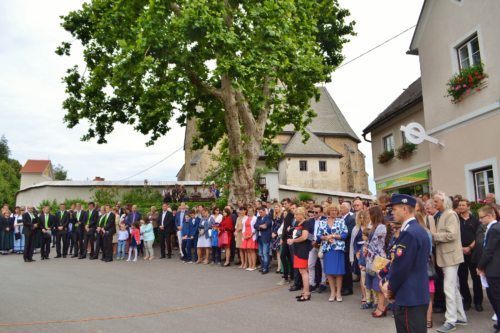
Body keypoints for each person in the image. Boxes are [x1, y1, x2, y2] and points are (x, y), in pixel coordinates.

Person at [380, 194, 431, 333]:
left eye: (394, 209)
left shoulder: (409, 233)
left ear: (404, 209)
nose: (392, 213)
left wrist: (390, 287)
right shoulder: (417, 230)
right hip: (415, 294)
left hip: (409, 296)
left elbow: (401, 267)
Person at [432, 192, 467, 333]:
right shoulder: (444, 214)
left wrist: (433, 236)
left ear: (443, 201)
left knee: (449, 289)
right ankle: (460, 317)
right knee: (454, 288)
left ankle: (451, 320)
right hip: (448, 257)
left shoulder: (450, 214)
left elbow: (452, 235)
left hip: (451, 257)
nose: (434, 204)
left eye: (436, 201)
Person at [476, 205, 500, 333]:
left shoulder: (494, 229)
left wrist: (480, 266)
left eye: (482, 218)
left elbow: (489, 251)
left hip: (494, 269)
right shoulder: (494, 228)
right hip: (494, 268)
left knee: (496, 297)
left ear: (490, 216)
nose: (480, 220)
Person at [457, 199, 483, 312]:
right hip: (460, 252)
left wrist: (470, 247)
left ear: (468, 207)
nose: (461, 207)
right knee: (462, 278)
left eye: (463, 205)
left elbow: (478, 237)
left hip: (473, 253)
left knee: (475, 278)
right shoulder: (456, 220)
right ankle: (466, 301)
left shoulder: (475, 221)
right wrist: (461, 248)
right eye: (459, 205)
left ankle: (478, 302)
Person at [318, 204, 348, 302]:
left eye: (335, 210)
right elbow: (318, 236)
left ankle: (338, 292)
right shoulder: (322, 222)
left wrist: (333, 236)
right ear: (328, 211)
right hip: (327, 249)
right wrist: (326, 238)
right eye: (332, 210)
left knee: (339, 272)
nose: (334, 212)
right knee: (329, 272)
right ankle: (332, 292)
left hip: (338, 249)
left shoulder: (341, 221)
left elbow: (345, 235)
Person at [287, 207, 313, 302]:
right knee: (302, 271)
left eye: (297, 214)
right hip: (297, 249)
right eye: (295, 214)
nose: (295, 216)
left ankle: (306, 293)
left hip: (303, 250)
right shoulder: (298, 223)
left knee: (303, 271)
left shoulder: (306, 223)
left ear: (302, 215)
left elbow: (305, 237)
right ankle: (304, 292)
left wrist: (293, 240)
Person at [365, 206, 387, 317]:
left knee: (379, 284)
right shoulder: (374, 226)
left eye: (370, 214)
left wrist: (367, 247)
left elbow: (377, 244)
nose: (368, 216)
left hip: (379, 259)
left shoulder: (381, 227)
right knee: (374, 284)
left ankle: (381, 307)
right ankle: (380, 306)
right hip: (372, 258)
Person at [308, 205, 327, 293]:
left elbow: (326, 232)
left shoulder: (325, 220)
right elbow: (308, 232)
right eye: (313, 212)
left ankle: (323, 283)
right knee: (310, 265)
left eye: (316, 212)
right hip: (312, 245)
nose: (314, 214)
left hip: (322, 245)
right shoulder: (310, 220)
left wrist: (318, 241)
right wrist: (313, 240)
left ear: (321, 212)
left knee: (323, 266)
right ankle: (312, 283)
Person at [340, 202, 355, 296]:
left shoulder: (351, 219)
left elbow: (348, 233)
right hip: (341, 246)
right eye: (340, 207)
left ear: (348, 209)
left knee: (347, 267)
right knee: (343, 267)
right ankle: (344, 286)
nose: (340, 209)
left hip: (346, 246)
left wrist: (336, 235)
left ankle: (349, 288)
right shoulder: (341, 218)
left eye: (342, 207)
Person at [255, 206, 272, 274]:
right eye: (259, 212)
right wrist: (260, 226)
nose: (260, 214)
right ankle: (263, 267)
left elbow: (266, 226)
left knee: (265, 253)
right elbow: (255, 225)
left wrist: (259, 226)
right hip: (259, 238)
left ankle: (266, 268)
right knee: (260, 253)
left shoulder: (268, 217)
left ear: (265, 211)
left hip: (265, 238)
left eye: (261, 212)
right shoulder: (258, 218)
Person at [241, 206, 258, 271]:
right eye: (249, 211)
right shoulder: (246, 218)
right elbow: (244, 228)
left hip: (251, 235)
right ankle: (250, 265)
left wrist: (251, 235)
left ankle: (254, 265)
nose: (249, 212)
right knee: (247, 250)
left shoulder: (255, 218)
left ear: (253, 212)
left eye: (251, 211)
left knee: (252, 250)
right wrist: (243, 235)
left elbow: (255, 228)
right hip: (246, 235)